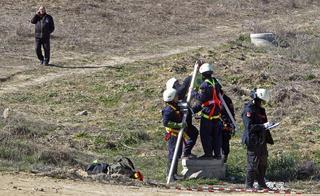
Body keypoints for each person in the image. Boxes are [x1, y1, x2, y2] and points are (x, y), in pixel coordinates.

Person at [241, 88, 274, 189]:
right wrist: (263, 126)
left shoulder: (261, 110)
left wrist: (269, 125)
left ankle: (261, 183)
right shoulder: (248, 110)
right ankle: (249, 185)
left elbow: (264, 123)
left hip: (261, 140)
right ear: (256, 98)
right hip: (252, 140)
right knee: (253, 163)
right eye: (260, 101)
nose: (261, 103)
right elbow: (249, 127)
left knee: (263, 162)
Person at [192, 63, 223, 160]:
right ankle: (217, 154)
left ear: (203, 74)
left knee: (206, 135)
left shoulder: (204, 85)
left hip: (207, 115)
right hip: (216, 114)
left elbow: (201, 99)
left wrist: (193, 93)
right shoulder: (216, 82)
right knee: (216, 136)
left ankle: (208, 154)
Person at [166, 77, 198, 159]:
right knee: (174, 153)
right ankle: (172, 170)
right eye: (176, 83)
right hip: (178, 127)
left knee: (194, 133)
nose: (178, 85)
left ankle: (186, 153)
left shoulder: (178, 97)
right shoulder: (176, 95)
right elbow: (183, 88)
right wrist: (191, 77)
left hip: (186, 123)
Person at [162, 88, 187, 180]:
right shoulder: (169, 110)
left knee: (177, 154)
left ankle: (174, 173)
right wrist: (178, 125)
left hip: (178, 134)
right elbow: (166, 122)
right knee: (173, 154)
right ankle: (170, 175)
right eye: (176, 96)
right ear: (172, 98)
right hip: (173, 135)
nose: (177, 97)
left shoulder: (175, 106)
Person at [220, 89, 235, 163]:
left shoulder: (227, 100)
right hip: (216, 124)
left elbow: (231, 114)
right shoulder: (214, 98)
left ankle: (224, 161)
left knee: (225, 143)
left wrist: (232, 125)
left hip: (225, 124)